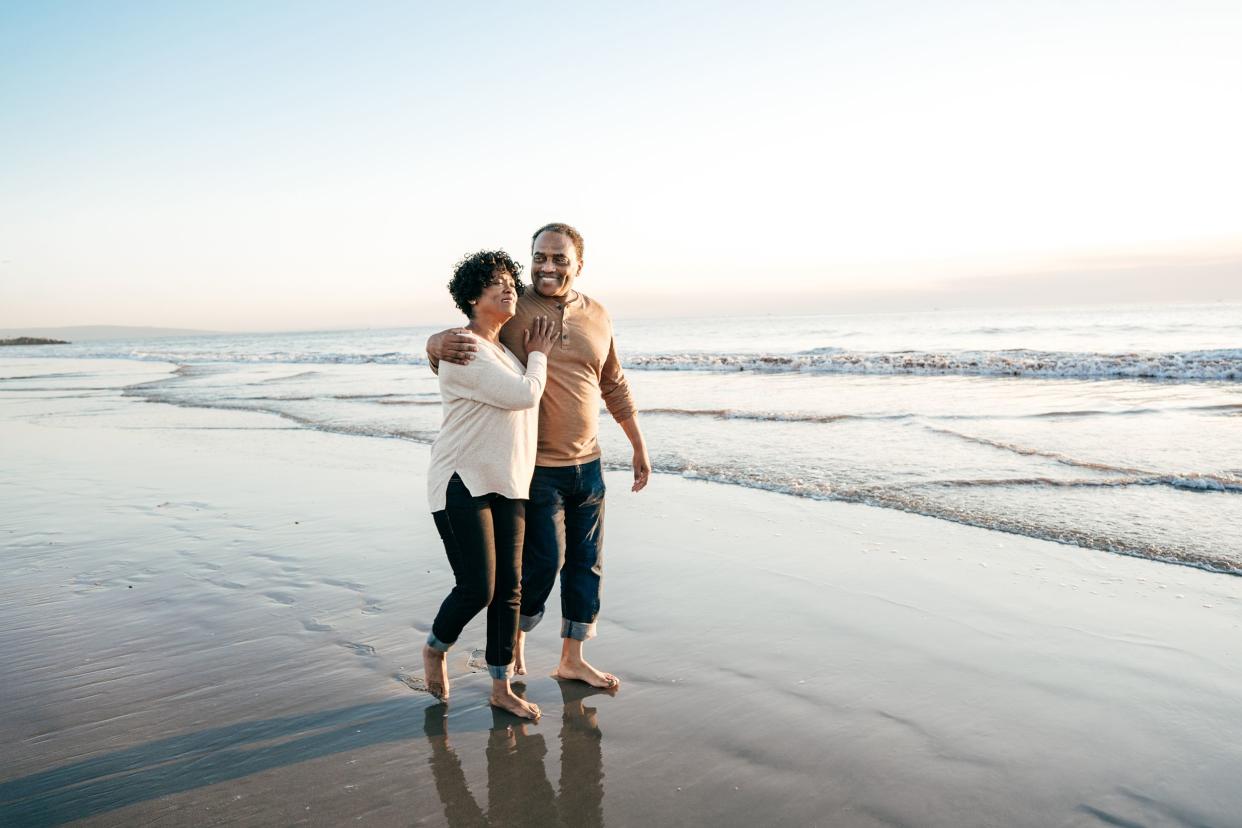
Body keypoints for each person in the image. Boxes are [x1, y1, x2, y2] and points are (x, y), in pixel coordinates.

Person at [427, 223, 649, 691]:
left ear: (579, 264)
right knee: (541, 565)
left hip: (588, 462)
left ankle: (572, 658)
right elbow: (472, 341)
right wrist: (432, 344)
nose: (547, 267)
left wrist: (637, 444)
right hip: (535, 468)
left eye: (559, 259)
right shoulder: (516, 307)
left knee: (586, 564)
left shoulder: (599, 315)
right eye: (540, 257)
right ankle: (515, 644)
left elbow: (613, 381)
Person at [423, 249, 557, 720]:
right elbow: (523, 395)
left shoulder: (501, 350)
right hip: (462, 480)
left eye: (510, 281)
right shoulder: (464, 347)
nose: (509, 288)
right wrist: (539, 354)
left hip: (510, 482)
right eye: (495, 282)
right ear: (472, 297)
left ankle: (500, 687)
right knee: (478, 588)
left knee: (510, 590)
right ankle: (436, 647)